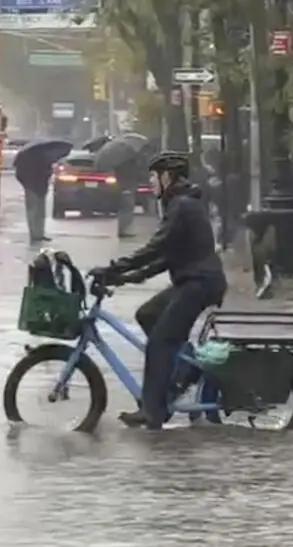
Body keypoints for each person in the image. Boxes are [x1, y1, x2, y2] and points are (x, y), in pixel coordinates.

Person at [90, 151, 227, 430]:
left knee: (160, 342)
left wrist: (115, 268)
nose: (151, 183)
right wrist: (127, 277)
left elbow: (156, 248)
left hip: (200, 284)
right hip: (192, 280)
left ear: (168, 177)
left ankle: (153, 410)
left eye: (153, 177)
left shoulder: (182, 206)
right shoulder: (179, 204)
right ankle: (183, 369)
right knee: (148, 314)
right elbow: (166, 257)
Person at [14, 151, 54, 245]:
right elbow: (48, 172)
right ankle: (36, 234)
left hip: (36, 188)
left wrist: (25, 184)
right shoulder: (43, 157)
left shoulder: (24, 156)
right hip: (36, 188)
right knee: (36, 211)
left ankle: (37, 234)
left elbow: (18, 174)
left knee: (36, 211)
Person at [113, 156, 146, 239]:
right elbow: (136, 176)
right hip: (127, 189)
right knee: (127, 210)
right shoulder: (130, 168)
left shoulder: (119, 165)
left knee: (124, 210)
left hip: (123, 188)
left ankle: (122, 230)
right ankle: (123, 230)